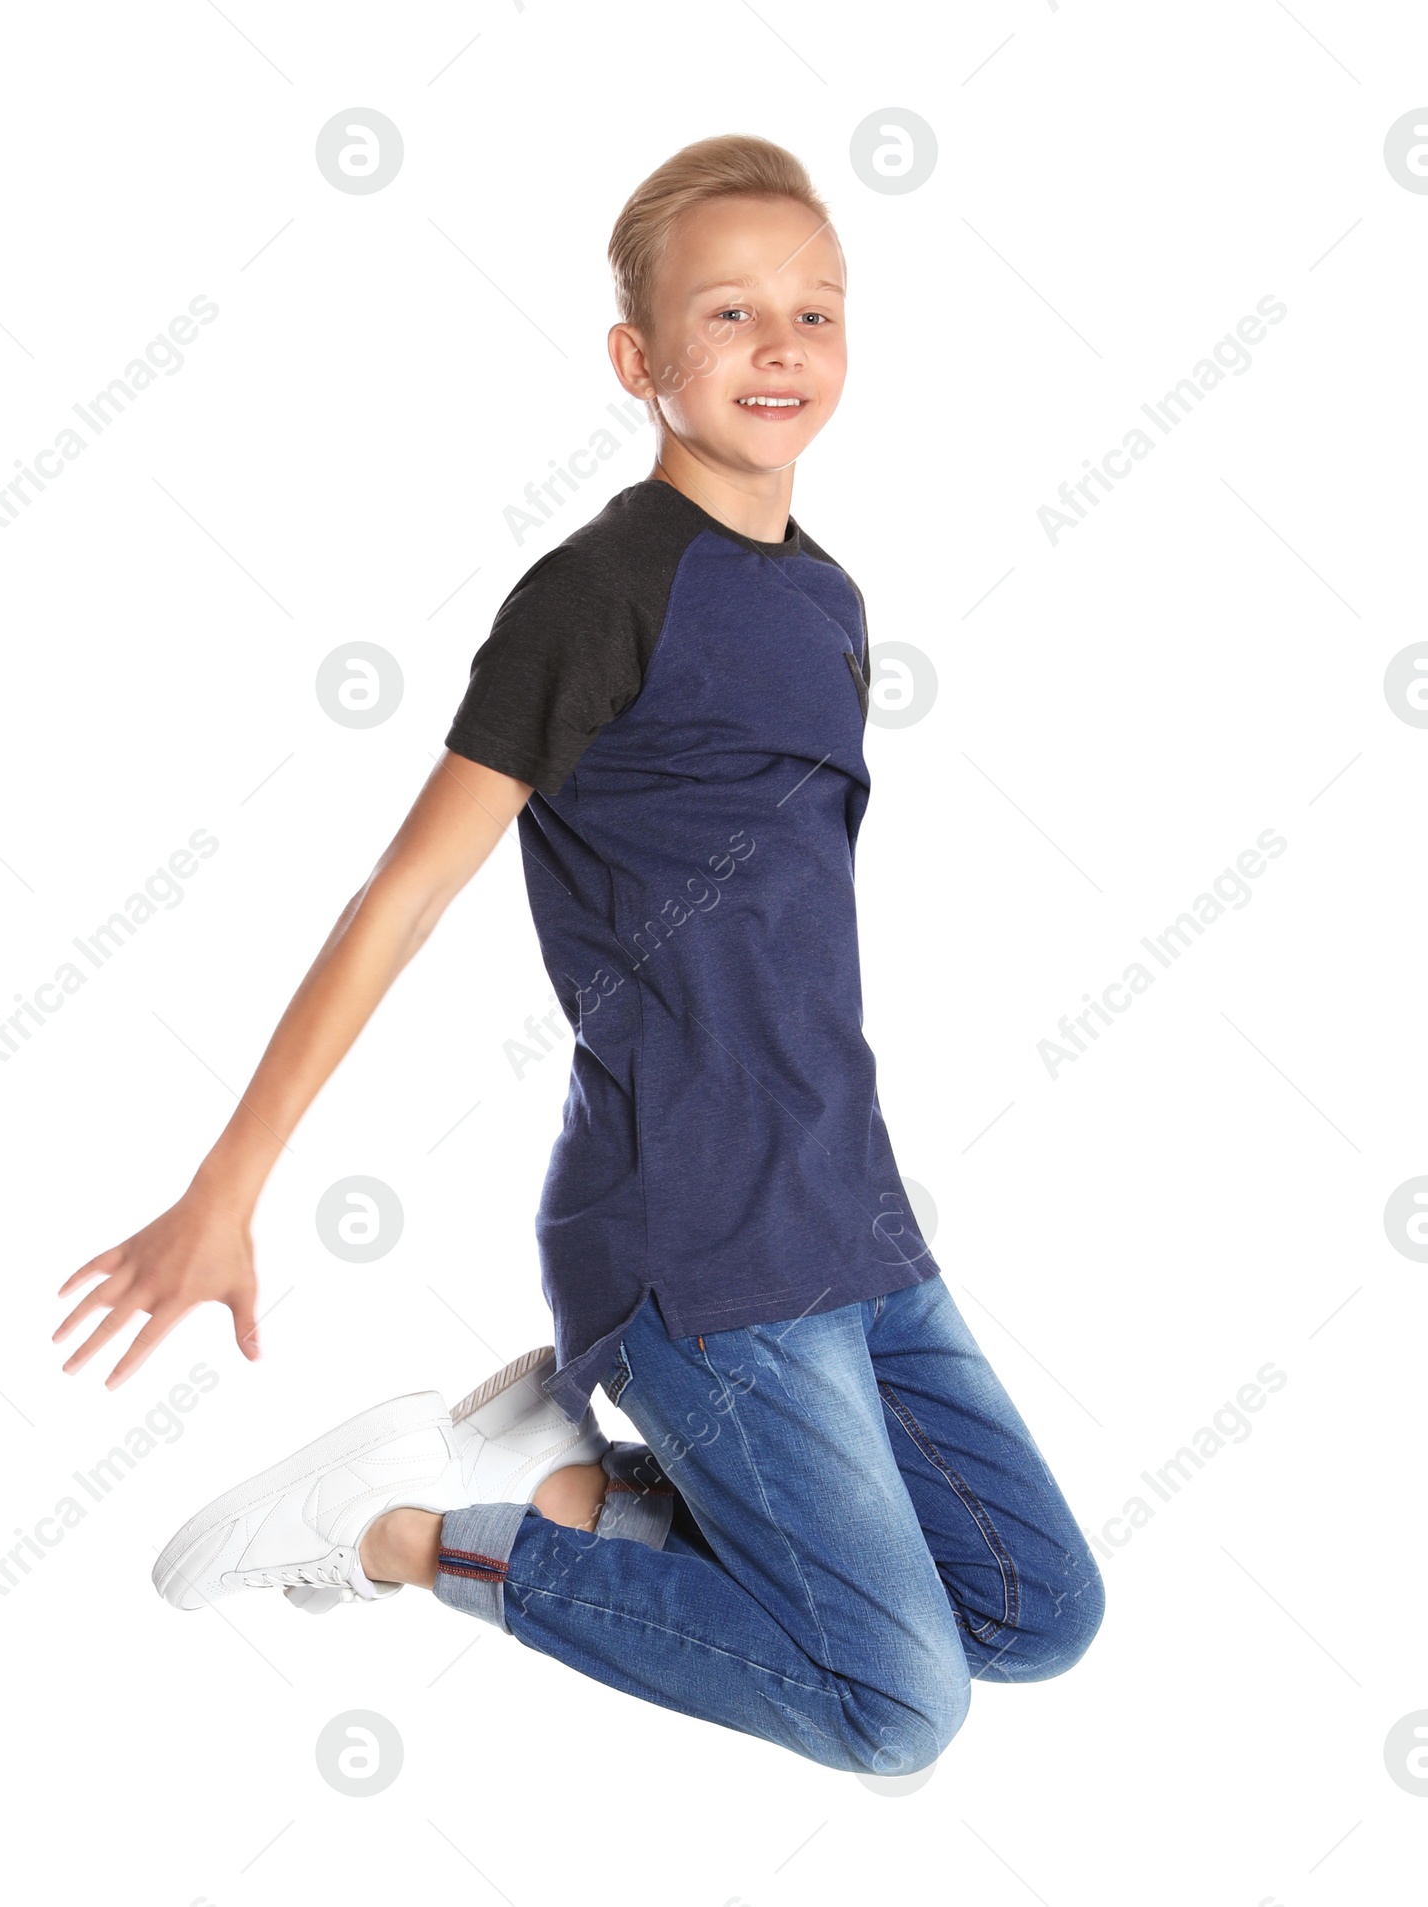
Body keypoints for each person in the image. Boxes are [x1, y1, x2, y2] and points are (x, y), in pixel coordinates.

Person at [54, 133, 1104, 1775]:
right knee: (899, 1708)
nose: (780, 349)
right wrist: (227, 1185)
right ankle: (428, 1534)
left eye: (815, 315)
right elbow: (398, 899)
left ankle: (572, 1481)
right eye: (731, 314)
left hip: (852, 1217)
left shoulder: (827, 597)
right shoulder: (600, 593)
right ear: (639, 361)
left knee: (1036, 1611)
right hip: (694, 1246)